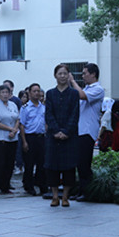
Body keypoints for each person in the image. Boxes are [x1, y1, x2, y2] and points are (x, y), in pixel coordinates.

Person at [44, 64, 79, 207]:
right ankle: (54, 196)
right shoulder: (50, 93)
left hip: (69, 137)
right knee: (52, 167)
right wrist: (56, 131)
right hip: (53, 136)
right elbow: (48, 114)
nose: (63, 76)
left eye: (65, 73)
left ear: (69, 75)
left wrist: (66, 131)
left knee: (68, 167)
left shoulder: (74, 94)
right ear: (55, 76)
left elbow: (75, 114)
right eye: (60, 73)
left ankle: (65, 197)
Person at [69, 63, 104, 201]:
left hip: (88, 131)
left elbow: (82, 96)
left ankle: (87, 192)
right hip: (80, 130)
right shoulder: (87, 88)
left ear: (93, 74)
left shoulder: (98, 89)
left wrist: (72, 81)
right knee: (79, 163)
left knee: (84, 163)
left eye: (84, 73)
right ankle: (80, 191)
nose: (83, 76)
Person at [0, 83, 19, 194]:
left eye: (7, 92)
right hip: (1, 138)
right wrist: (10, 129)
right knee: (1, 163)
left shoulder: (13, 105)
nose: (5, 94)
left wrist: (14, 130)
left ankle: (5, 186)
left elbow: (18, 119)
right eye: (3, 92)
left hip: (13, 138)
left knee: (10, 163)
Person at [19, 83, 47, 196]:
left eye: (38, 91)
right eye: (34, 91)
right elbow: (22, 125)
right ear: (29, 93)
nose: (37, 93)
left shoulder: (43, 107)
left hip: (41, 137)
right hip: (30, 137)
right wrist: (24, 142)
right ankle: (29, 186)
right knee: (29, 163)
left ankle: (41, 184)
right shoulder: (25, 108)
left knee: (42, 163)